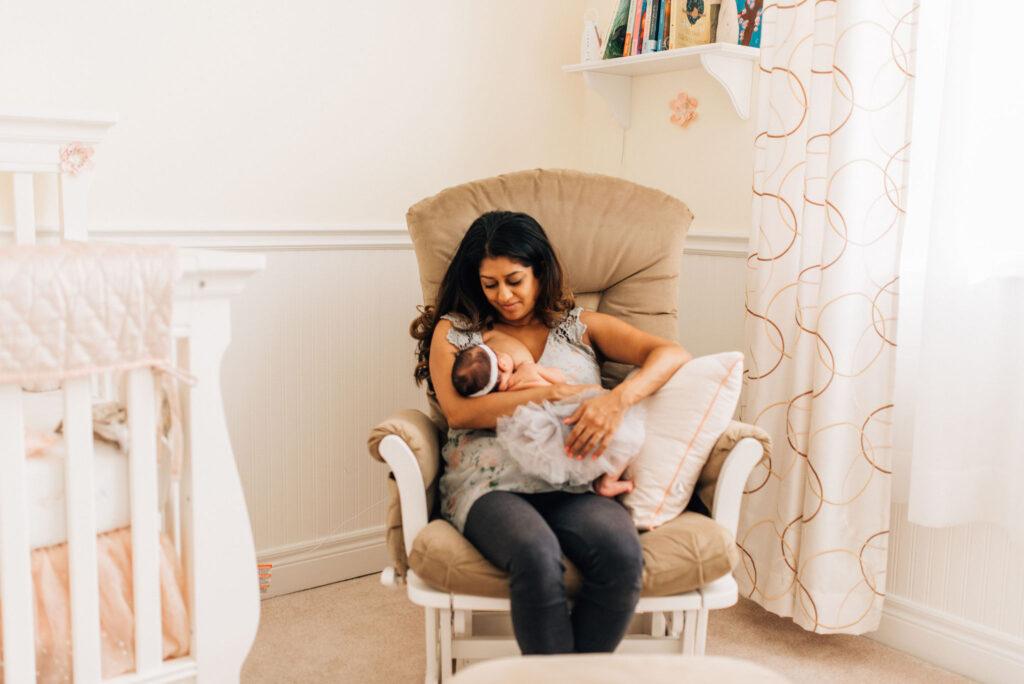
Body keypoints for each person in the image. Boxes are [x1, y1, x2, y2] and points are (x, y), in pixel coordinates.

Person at [409, 210, 691, 655]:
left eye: (514, 280)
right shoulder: (459, 331)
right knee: (536, 558)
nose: (503, 295)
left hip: (576, 479)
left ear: (539, 271)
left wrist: (616, 399)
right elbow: (461, 412)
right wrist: (561, 392)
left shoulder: (579, 326)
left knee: (621, 557)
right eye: (490, 283)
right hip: (491, 484)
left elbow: (670, 352)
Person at [450, 338, 645, 498]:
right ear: (502, 361)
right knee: (627, 433)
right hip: (570, 418)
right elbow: (559, 380)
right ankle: (607, 482)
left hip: (541, 438)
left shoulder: (500, 400)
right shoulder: (527, 370)